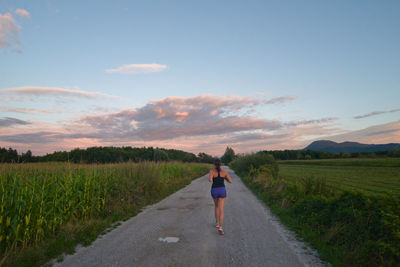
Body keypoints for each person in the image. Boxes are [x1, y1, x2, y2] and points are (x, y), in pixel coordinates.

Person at [209, 158, 232, 235]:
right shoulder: (224, 172)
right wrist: (224, 177)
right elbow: (230, 181)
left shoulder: (212, 171)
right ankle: (220, 227)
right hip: (222, 190)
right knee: (221, 209)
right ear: (220, 164)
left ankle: (217, 223)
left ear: (214, 165)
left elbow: (210, 180)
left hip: (214, 190)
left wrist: (212, 177)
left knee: (216, 206)